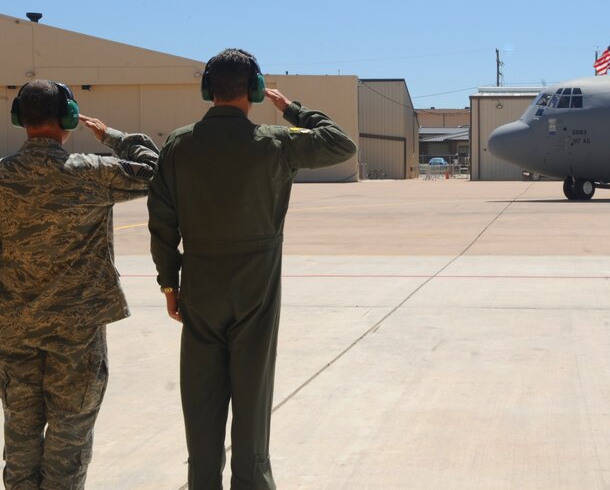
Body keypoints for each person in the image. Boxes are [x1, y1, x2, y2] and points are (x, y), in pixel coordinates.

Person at [147, 48, 356, 489]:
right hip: (256, 287)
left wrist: (170, 284)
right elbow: (340, 143)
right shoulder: (275, 142)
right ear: (257, 91)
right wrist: (292, 109)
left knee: (201, 400)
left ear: (208, 90)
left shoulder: (179, 145)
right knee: (252, 398)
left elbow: (162, 221)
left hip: (200, 285)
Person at [0, 80, 159, 489]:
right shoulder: (92, 173)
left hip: (13, 330)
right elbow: (156, 171)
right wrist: (114, 138)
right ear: (69, 118)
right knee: (69, 439)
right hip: (77, 332)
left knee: (19, 436)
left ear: (20, 119)